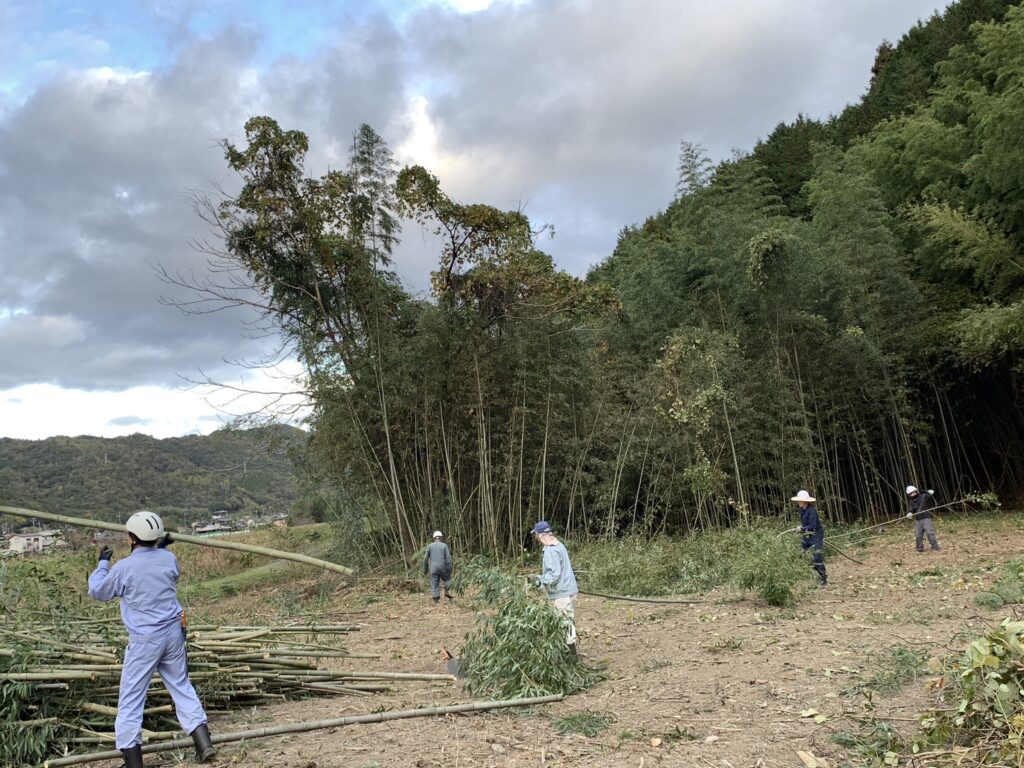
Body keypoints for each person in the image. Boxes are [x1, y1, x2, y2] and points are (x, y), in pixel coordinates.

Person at [88, 511, 215, 768]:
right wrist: (161, 548)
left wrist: (102, 564)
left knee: (132, 698)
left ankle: (133, 761)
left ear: (131, 538)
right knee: (181, 685)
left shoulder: (124, 568)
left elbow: (97, 591)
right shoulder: (169, 558)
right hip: (173, 633)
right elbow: (169, 572)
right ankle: (204, 744)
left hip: (145, 640)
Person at [530, 520, 580, 656]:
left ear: (541, 535)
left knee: (565, 622)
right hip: (567, 589)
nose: (536, 538)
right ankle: (567, 651)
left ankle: (571, 655)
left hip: (561, 593)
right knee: (566, 620)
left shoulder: (551, 550)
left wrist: (539, 580)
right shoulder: (559, 545)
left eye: (536, 535)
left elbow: (554, 574)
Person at [792, 490, 827, 586]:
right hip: (807, 533)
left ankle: (823, 578)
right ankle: (809, 576)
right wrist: (802, 529)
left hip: (816, 533)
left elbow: (813, 525)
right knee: (803, 553)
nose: (798, 502)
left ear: (805, 501)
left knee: (816, 556)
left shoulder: (811, 510)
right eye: (798, 501)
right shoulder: (802, 510)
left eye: (800, 501)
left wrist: (801, 529)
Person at [905, 485, 941, 552]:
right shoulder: (912, 501)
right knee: (918, 535)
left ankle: (935, 547)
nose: (913, 494)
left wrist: (931, 492)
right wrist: (910, 513)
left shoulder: (924, 496)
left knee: (930, 533)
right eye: (910, 493)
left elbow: (929, 496)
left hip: (926, 518)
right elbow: (911, 509)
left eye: (913, 492)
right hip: (918, 520)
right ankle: (919, 548)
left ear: (916, 491)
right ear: (909, 495)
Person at [422, 530, 454, 603]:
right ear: (441, 538)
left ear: (434, 538)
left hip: (433, 568)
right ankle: (446, 591)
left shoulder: (430, 546)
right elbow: (448, 558)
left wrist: (425, 570)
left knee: (434, 582)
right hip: (443, 567)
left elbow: (425, 559)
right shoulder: (444, 545)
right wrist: (449, 569)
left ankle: (436, 599)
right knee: (448, 579)